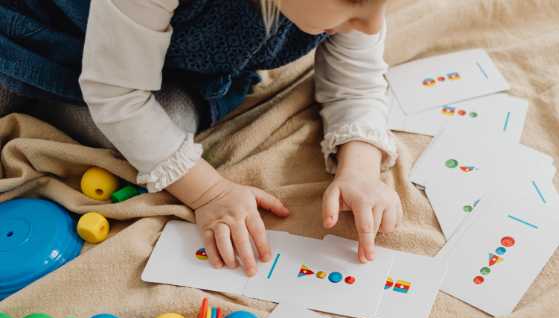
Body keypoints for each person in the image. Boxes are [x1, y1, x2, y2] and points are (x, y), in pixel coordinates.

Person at [0, 0, 401, 274]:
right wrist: (210, 194)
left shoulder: (355, 11)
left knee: (173, 121)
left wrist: (361, 170)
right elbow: (116, 93)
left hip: (173, 59)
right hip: (45, 34)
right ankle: (37, 91)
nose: (374, 24)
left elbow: (358, 81)